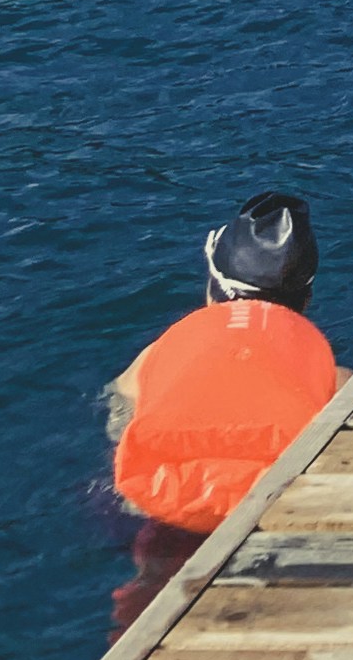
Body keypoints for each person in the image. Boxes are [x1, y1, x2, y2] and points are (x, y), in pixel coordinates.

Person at [107, 192, 339, 545]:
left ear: (212, 289)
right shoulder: (335, 377)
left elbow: (122, 420)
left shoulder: (150, 359)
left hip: (166, 504)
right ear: (305, 300)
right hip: (276, 505)